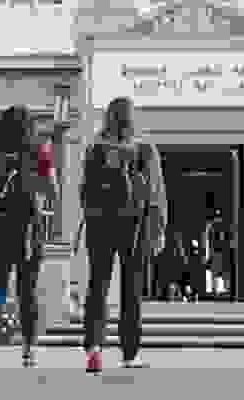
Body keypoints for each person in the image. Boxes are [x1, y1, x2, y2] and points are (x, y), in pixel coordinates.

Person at [80, 96, 166, 373]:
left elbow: (83, 192)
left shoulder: (95, 148)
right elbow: (155, 194)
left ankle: (93, 348)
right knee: (132, 291)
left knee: (97, 287)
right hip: (135, 226)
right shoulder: (144, 148)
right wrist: (158, 230)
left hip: (99, 226)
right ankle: (129, 354)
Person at [0, 104, 58, 368]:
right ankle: (29, 352)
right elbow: (53, 191)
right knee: (27, 293)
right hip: (28, 232)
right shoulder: (39, 151)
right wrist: (43, 204)